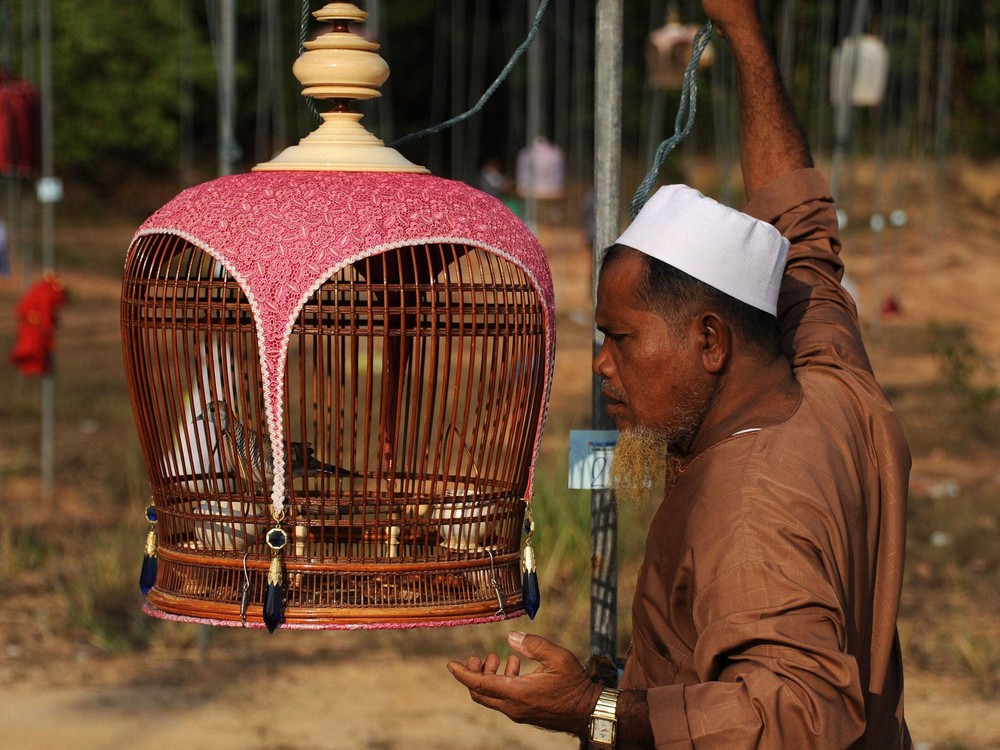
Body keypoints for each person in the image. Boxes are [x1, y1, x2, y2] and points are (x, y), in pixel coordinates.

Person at [447, 1, 912, 748]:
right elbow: (799, 220)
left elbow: (796, 716)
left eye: (622, 338)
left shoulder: (750, 510)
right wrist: (744, 33)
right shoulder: (827, 379)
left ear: (710, 341)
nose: (601, 365)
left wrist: (591, 712)